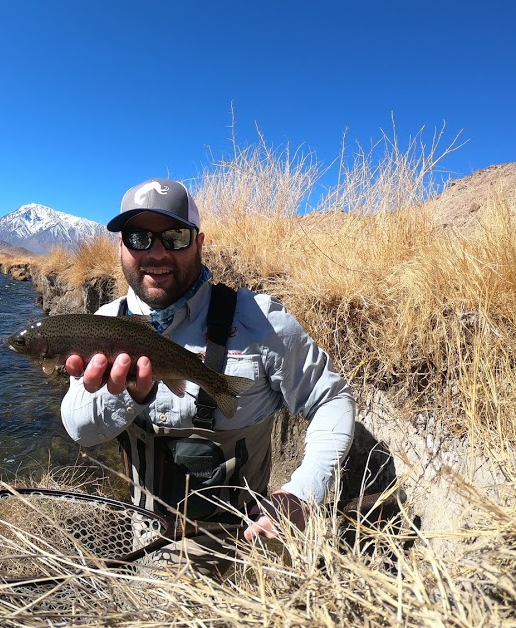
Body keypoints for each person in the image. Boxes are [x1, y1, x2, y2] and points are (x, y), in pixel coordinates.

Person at [61, 178, 355, 542]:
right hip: (147, 546)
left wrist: (304, 493)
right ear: (121, 246)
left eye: (175, 237)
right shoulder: (97, 326)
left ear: (199, 242)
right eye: (139, 238)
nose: (156, 253)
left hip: (248, 546)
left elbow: (331, 398)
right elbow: (80, 431)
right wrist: (127, 395)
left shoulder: (260, 322)